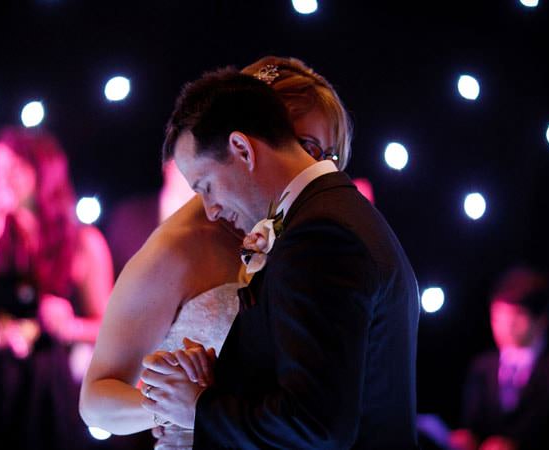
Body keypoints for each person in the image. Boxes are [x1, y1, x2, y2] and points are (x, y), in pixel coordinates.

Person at [79, 56, 356, 449]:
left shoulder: (316, 235)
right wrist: (170, 407)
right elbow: (95, 400)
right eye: (306, 146)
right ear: (250, 138)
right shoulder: (180, 245)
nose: (314, 168)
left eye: (327, 156)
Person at [139, 67, 420, 448]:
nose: (211, 210)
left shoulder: (320, 236)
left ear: (242, 149)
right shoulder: (331, 212)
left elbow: (315, 426)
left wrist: (199, 408)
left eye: (206, 186)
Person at [0, 126, 114, 450]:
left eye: (15, 168)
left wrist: (69, 326)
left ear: (43, 170)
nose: (3, 180)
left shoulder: (82, 241)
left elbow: (107, 327)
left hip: (44, 382)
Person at [448, 265, 549, 450]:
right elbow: (472, 423)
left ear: (541, 319)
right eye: (497, 317)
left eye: (516, 316)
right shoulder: (482, 367)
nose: (505, 327)